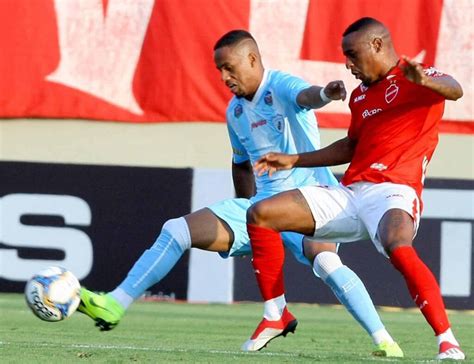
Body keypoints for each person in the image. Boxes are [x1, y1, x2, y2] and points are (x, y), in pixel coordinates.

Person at [77, 29, 402, 356]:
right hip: (262, 207)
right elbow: (241, 164)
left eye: (229, 68)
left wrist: (326, 93)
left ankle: (384, 341)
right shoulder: (234, 112)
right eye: (219, 70)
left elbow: (306, 96)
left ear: (252, 59)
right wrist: (246, 213)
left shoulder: (280, 85)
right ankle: (114, 303)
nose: (224, 77)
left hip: (311, 199)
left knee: (327, 264)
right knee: (176, 230)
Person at [246, 18, 465, 360]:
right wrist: (294, 159)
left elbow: (455, 89)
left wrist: (425, 80)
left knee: (397, 244)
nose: (347, 64)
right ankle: (276, 314)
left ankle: (447, 341)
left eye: (352, 54)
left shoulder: (416, 77)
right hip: (350, 194)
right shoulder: (361, 96)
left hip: (394, 191)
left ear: (377, 45)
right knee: (261, 214)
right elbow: (351, 145)